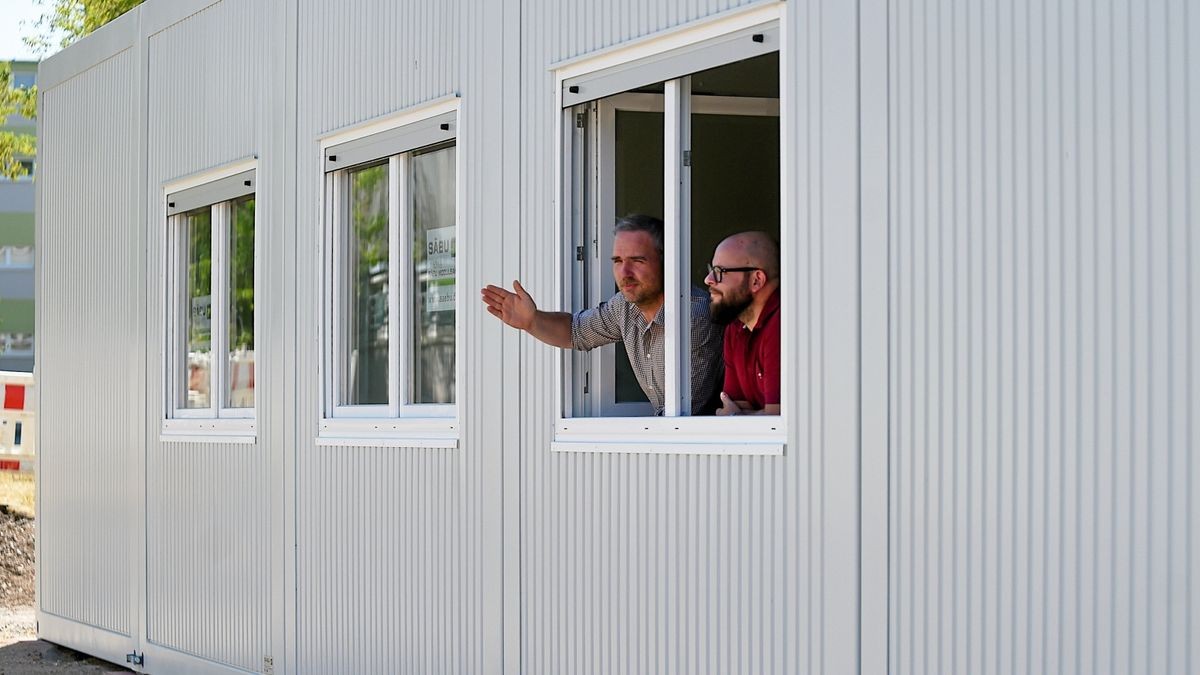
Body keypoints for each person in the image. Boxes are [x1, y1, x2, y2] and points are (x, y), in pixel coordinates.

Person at [481, 214, 723, 415]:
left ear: (667, 261)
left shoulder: (693, 315)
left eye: (637, 260)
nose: (624, 272)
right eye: (617, 260)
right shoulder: (625, 306)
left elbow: (685, 415)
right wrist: (533, 321)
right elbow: (576, 331)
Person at [704, 231, 781, 415]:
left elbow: (780, 423)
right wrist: (740, 416)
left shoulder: (782, 325)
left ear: (756, 280)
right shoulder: (736, 327)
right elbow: (733, 407)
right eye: (711, 270)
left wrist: (737, 417)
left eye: (719, 272)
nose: (708, 280)